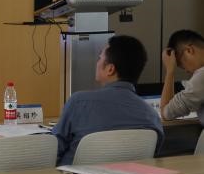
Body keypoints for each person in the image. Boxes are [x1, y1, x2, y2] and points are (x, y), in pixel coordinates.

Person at [52, 35, 163, 165]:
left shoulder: (79, 102)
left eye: (100, 58)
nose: (97, 62)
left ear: (110, 69)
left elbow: (53, 149)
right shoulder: (151, 116)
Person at [160, 29, 204, 124]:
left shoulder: (201, 76)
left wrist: (170, 71)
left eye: (182, 65)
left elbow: (166, 113)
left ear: (189, 50)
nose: (187, 71)